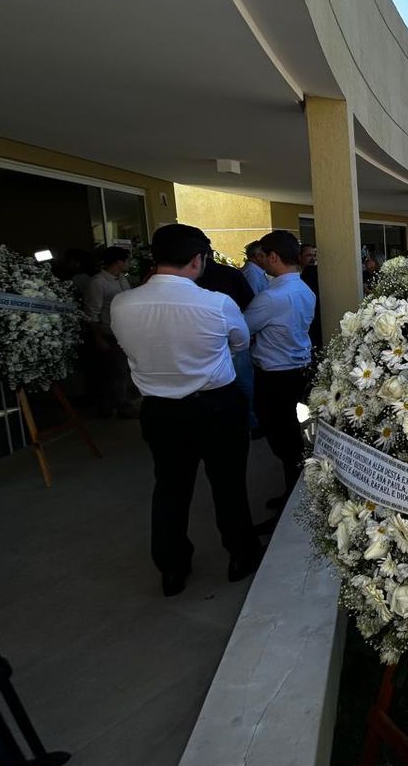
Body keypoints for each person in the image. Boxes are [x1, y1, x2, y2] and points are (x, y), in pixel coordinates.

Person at [110, 224, 263, 597]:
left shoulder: (122, 304)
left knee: (170, 488)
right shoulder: (216, 303)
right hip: (216, 405)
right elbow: (240, 342)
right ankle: (240, 555)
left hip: (160, 410)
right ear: (198, 260)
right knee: (228, 485)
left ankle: (172, 569)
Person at [245, 230, 316, 521]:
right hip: (299, 372)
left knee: (284, 442)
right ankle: (291, 496)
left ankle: (293, 507)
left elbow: (243, 329)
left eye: (262, 256)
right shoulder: (304, 290)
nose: (260, 261)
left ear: (273, 257)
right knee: (295, 439)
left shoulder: (271, 297)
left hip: (275, 377)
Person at [197, 249, 258, 430]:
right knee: (244, 382)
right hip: (233, 335)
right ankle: (251, 421)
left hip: (203, 340)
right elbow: (249, 302)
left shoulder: (191, 280)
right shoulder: (231, 274)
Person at [84, 246, 135, 417]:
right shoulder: (98, 282)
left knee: (122, 371)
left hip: (125, 333)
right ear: (118, 262)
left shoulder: (122, 279)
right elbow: (92, 313)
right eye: (127, 260)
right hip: (109, 334)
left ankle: (116, 404)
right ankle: (120, 406)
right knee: (117, 372)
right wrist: (99, 338)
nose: (129, 263)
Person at [299, 245, 323, 351]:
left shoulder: (317, 274)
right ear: (299, 257)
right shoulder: (296, 276)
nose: (313, 259)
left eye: (314, 255)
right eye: (308, 255)